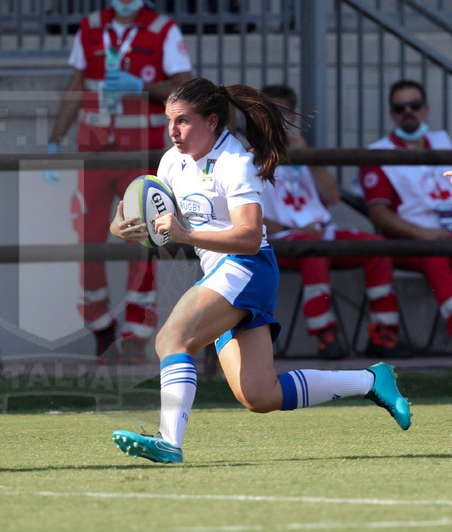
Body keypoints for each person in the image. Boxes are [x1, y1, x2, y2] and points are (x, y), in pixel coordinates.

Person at [108, 77, 412, 464]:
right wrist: (125, 226)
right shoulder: (172, 160)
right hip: (227, 272)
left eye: (182, 120)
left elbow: (250, 237)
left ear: (212, 122)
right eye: (170, 120)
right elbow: (149, 219)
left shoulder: (235, 162)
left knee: (171, 340)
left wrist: (185, 234)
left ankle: (169, 442)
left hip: (246, 268)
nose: (173, 131)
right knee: (259, 395)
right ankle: (371, 380)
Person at [45, 0, 193, 364]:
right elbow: (76, 87)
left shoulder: (163, 30)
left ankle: (135, 335)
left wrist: (140, 85)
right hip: (92, 155)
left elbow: (185, 92)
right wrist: (55, 140)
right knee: (87, 242)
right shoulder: (90, 26)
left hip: (139, 156)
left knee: (141, 242)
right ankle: (100, 327)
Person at [259, 85, 401, 359]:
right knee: (313, 248)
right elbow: (252, 218)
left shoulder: (303, 152)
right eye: (271, 112)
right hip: (281, 241)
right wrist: (294, 230)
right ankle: (326, 333)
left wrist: (308, 157)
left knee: (377, 247)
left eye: (285, 113)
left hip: (323, 234)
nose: (279, 119)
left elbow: (332, 196)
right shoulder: (249, 158)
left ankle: (384, 331)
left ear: (295, 118)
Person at [360, 79, 452, 341]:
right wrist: (425, 234)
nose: (408, 112)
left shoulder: (443, 142)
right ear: (392, 114)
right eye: (400, 108)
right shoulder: (379, 153)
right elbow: (379, 214)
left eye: (414, 105)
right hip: (409, 242)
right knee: (434, 255)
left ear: (426, 109)